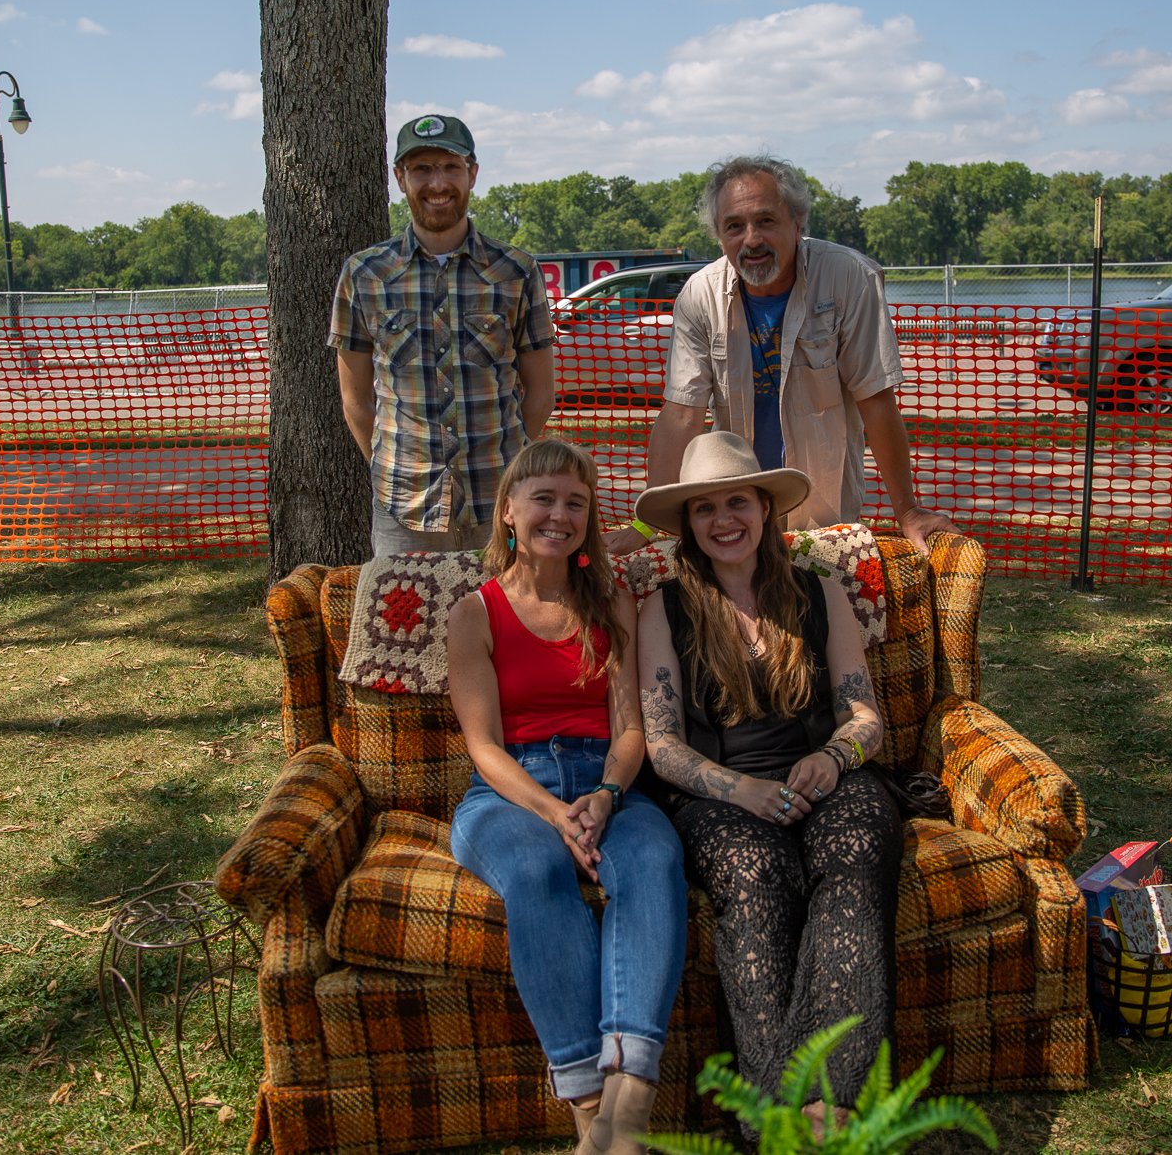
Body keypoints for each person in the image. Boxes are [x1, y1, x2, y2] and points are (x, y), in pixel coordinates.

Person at [633, 430, 902, 1134]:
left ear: (764, 509)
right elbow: (660, 744)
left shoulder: (819, 589)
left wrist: (837, 757)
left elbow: (864, 711)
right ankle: (773, 1113)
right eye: (704, 508)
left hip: (822, 774)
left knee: (857, 847)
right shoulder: (662, 606)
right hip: (716, 791)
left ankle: (829, 1101)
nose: (724, 520)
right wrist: (738, 789)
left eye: (737, 502)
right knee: (758, 873)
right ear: (687, 524)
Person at [446, 439, 688, 1154]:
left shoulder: (612, 601)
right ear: (509, 512)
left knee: (653, 861)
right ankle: (590, 1112)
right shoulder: (475, 612)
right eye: (544, 498)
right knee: (536, 870)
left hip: (606, 782)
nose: (560, 513)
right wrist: (553, 813)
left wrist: (611, 793)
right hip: (508, 792)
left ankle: (630, 1105)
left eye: (576, 502)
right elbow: (483, 746)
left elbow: (631, 726)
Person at [619, 155, 954, 556]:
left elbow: (876, 399)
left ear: (797, 223)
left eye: (765, 221)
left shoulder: (849, 278)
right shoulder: (698, 295)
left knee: (821, 610)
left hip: (824, 508)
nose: (752, 239)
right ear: (719, 237)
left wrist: (908, 511)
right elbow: (681, 413)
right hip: (735, 510)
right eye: (734, 227)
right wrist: (645, 524)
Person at [331, 114, 555, 557]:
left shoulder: (515, 271)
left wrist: (507, 465)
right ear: (400, 178)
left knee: (500, 623)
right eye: (422, 169)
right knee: (405, 626)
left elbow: (541, 390)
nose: (438, 183)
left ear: (472, 173)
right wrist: (387, 467)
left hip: (501, 504)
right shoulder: (365, 275)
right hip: (402, 508)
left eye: (450, 167)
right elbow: (355, 398)